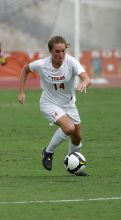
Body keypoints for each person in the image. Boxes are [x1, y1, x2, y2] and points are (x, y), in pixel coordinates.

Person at [18, 35, 91, 176]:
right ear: (51, 51)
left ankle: (73, 165)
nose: (61, 54)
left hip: (69, 104)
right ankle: (48, 152)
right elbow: (25, 70)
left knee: (77, 136)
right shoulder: (42, 64)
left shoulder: (71, 62)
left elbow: (87, 78)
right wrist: (22, 92)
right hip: (49, 104)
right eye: (57, 51)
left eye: (63, 51)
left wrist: (84, 83)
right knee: (69, 128)